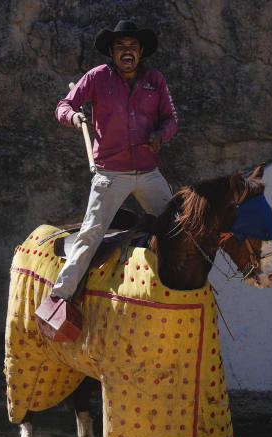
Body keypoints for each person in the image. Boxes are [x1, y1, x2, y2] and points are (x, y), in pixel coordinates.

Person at [39, 19, 179, 337]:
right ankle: (58, 299)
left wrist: (162, 134)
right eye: (120, 47)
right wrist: (74, 116)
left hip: (147, 172)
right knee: (90, 233)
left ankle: (181, 290)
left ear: (141, 51)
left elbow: (172, 118)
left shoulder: (155, 80)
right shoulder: (97, 78)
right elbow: (64, 105)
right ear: (112, 52)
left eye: (132, 47)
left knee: (177, 227)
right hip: (110, 173)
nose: (127, 52)